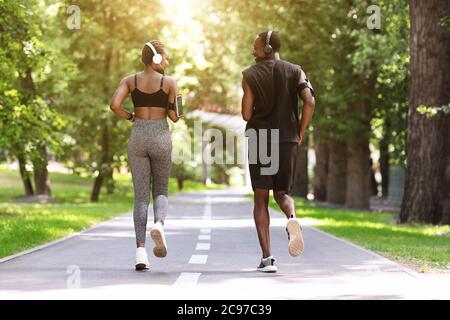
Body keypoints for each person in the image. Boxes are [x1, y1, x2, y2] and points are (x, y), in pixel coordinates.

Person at [241, 30, 316, 273]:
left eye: (256, 47)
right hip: (287, 140)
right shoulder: (296, 71)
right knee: (282, 193)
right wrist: (300, 131)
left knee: (261, 196)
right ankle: (292, 219)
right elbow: (310, 101)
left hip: (261, 138)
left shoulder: (250, 75)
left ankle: (268, 258)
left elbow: (246, 115)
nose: (253, 51)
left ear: (267, 49)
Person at [110, 40, 179, 271]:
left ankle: (140, 251)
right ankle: (159, 224)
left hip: (138, 136)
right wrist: (175, 100)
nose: (167, 62)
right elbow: (175, 117)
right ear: (157, 59)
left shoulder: (130, 81)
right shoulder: (169, 82)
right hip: (160, 136)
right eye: (165, 58)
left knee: (140, 196)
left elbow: (114, 105)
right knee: (160, 190)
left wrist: (130, 116)